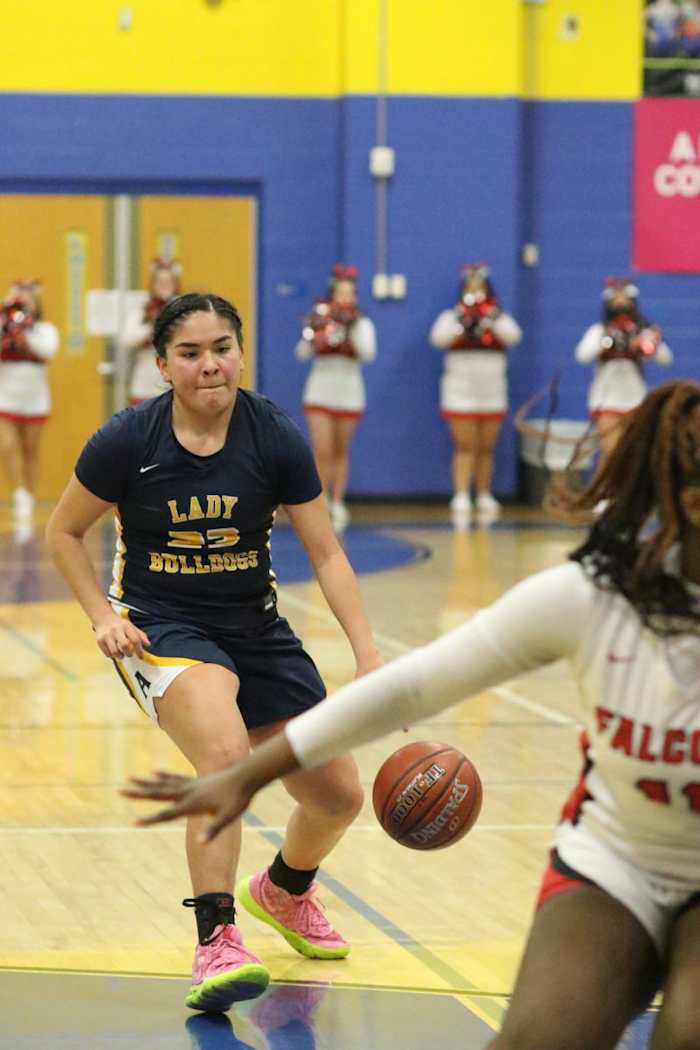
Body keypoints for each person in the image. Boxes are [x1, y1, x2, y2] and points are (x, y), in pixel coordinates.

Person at [126, 379, 700, 1050]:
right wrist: (249, 774)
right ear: (688, 503)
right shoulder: (589, 597)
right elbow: (413, 688)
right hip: (616, 860)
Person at [46, 292, 381, 1014]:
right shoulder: (128, 440)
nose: (210, 365)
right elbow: (63, 534)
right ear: (163, 365)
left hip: (254, 624)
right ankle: (216, 939)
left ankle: (285, 892)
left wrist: (368, 655)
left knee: (337, 796)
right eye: (191, 353)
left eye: (222, 348)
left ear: (240, 353)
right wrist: (103, 618)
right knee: (225, 755)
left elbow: (325, 553)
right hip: (161, 626)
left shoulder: (274, 436)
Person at [429, 262, 522, 526]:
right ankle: (460, 494)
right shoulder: (451, 316)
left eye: (480, 288)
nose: (475, 293)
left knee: (486, 446)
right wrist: (462, 320)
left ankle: (483, 493)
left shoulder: (497, 315)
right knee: (465, 445)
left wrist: (490, 317)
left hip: (491, 390)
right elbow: (438, 339)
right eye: (471, 288)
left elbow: (514, 336)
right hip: (460, 390)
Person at [295, 264, 376, 531]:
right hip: (321, 389)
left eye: (350, 293)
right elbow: (302, 352)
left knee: (341, 450)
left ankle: (338, 501)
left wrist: (350, 328)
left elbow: (367, 353)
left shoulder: (362, 322)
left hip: (349, 391)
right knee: (322, 450)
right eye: (341, 293)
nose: (345, 298)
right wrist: (320, 332)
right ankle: (320, 501)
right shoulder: (320, 318)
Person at [575, 277, 672, 459]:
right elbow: (582, 355)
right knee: (610, 455)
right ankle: (607, 488)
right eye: (616, 300)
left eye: (625, 300)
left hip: (635, 400)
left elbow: (666, 359)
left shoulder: (642, 330)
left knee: (634, 456)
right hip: (606, 401)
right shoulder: (599, 330)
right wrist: (606, 342)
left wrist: (650, 342)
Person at [0, 279, 59, 526]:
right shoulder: (4, 325)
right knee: (6, 445)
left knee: (30, 449)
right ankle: (19, 493)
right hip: (5, 394)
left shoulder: (44, 329)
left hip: (34, 397)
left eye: (28, 299)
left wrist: (26, 327)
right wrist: (8, 318)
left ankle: (30, 495)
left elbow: (48, 350)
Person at [122, 257, 181, 404]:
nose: (164, 286)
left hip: (174, 381)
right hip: (144, 381)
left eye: (168, 282)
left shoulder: (182, 308)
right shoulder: (143, 308)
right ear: (153, 284)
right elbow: (126, 339)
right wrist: (151, 327)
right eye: (160, 282)